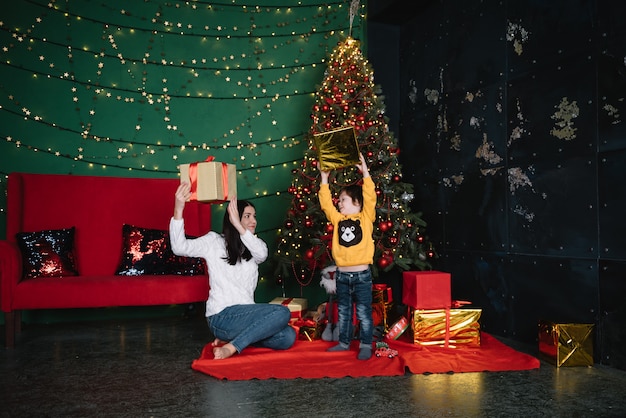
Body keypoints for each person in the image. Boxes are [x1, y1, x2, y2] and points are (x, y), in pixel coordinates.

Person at [170, 182, 296, 360]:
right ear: (233, 218)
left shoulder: (254, 246)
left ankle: (230, 340)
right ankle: (232, 347)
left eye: (254, 216)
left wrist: (239, 225)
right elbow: (179, 247)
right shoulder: (213, 242)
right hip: (222, 317)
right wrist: (178, 208)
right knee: (282, 312)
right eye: (247, 216)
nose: (254, 221)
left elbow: (262, 253)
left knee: (287, 337)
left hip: (245, 317)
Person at [318, 153, 376, 360]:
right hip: (342, 276)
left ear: (357, 202)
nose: (339, 203)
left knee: (363, 312)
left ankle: (366, 344)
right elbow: (326, 204)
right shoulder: (338, 218)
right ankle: (343, 342)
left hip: (361, 276)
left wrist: (365, 173)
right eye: (339, 200)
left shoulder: (366, 217)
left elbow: (370, 196)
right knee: (343, 312)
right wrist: (324, 179)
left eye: (343, 200)